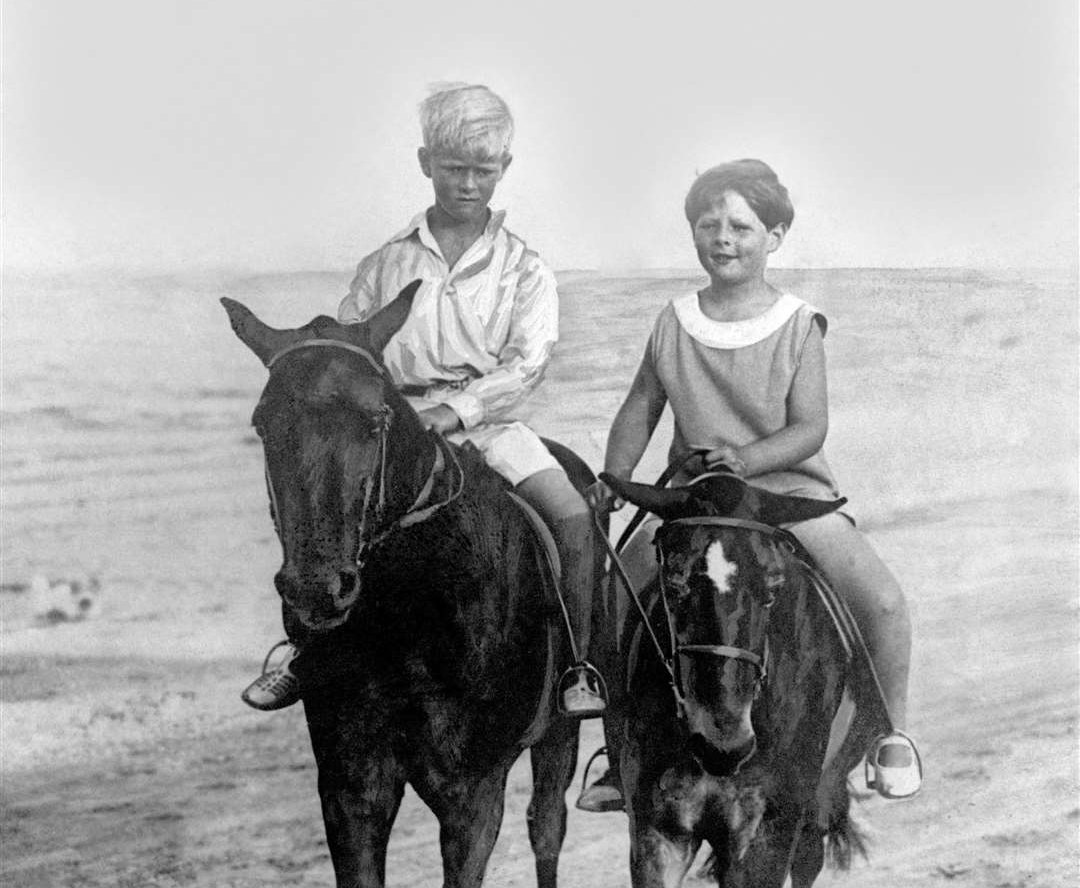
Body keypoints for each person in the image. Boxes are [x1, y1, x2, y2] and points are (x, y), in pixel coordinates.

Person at [242, 82, 606, 719]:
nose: (467, 183)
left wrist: (457, 410)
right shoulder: (384, 264)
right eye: (453, 168)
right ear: (425, 163)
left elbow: (528, 365)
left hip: (492, 430)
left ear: (504, 170)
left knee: (573, 520)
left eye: (482, 171)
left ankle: (579, 666)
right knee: (324, 512)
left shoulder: (525, 268)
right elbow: (351, 355)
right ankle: (306, 652)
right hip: (393, 431)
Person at [578, 158, 921, 807]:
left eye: (741, 225)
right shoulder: (674, 320)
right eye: (708, 224)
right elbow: (639, 410)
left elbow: (810, 427)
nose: (723, 237)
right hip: (693, 499)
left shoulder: (797, 322)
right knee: (618, 588)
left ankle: (892, 736)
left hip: (789, 495)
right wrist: (615, 479)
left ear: (776, 235)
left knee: (880, 601)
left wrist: (746, 457)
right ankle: (619, 749)